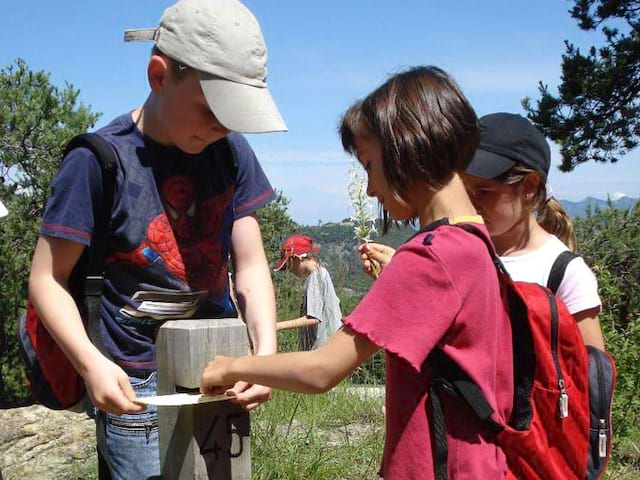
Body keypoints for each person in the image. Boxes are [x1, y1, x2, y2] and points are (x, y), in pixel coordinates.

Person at [201, 66, 515, 478]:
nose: (370, 189)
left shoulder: (429, 257)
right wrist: (395, 282)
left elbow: (320, 371)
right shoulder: (475, 240)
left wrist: (229, 367)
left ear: (407, 147)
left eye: (369, 164)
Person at [27, 0, 285, 478]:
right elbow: (47, 279)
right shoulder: (99, 160)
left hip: (219, 366)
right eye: (211, 109)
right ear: (159, 76)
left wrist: (264, 356)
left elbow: (249, 266)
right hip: (134, 382)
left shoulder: (231, 154)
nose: (223, 126)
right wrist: (90, 364)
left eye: (234, 115)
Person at [361, 112, 605, 351]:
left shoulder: (565, 273)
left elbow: (592, 380)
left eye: (484, 192)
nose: (471, 202)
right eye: (465, 191)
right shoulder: (461, 250)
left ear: (529, 187)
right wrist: (406, 279)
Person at [273, 234, 342, 350]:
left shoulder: (316, 277)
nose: (289, 270)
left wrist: (278, 326)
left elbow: (313, 318)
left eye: (288, 265)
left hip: (323, 351)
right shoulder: (320, 273)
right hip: (329, 348)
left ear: (296, 258)